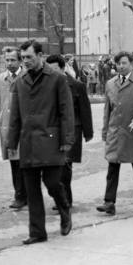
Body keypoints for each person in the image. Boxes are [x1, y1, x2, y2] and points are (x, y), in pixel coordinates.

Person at [7, 40, 74, 245]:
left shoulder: (57, 79)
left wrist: (67, 140)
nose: (25, 61)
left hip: (51, 141)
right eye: (23, 58)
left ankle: (64, 209)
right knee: (32, 190)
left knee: (53, 183)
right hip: (28, 143)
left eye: (29, 57)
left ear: (40, 55)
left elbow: (66, 111)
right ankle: (37, 232)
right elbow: (15, 116)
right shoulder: (20, 82)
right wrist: (11, 142)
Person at [96, 50, 133, 215]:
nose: (120, 66)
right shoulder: (110, 84)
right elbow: (108, 109)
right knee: (112, 166)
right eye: (118, 63)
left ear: (131, 64)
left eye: (124, 63)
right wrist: (105, 130)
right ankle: (109, 202)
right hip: (116, 132)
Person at [45, 54, 93, 207]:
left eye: (55, 69)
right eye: (49, 69)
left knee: (66, 166)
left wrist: (88, 132)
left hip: (72, 130)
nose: (52, 73)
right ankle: (61, 198)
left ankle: (66, 200)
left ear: (62, 68)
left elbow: (85, 110)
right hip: (53, 131)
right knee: (55, 166)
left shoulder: (77, 85)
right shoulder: (46, 86)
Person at [0, 46, 27, 210]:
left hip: (26, 127)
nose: (9, 63)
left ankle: (28, 195)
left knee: (27, 163)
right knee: (15, 164)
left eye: (13, 60)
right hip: (8, 128)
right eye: (7, 60)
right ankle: (19, 196)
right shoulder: (0, 79)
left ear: (20, 60)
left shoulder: (27, 76)